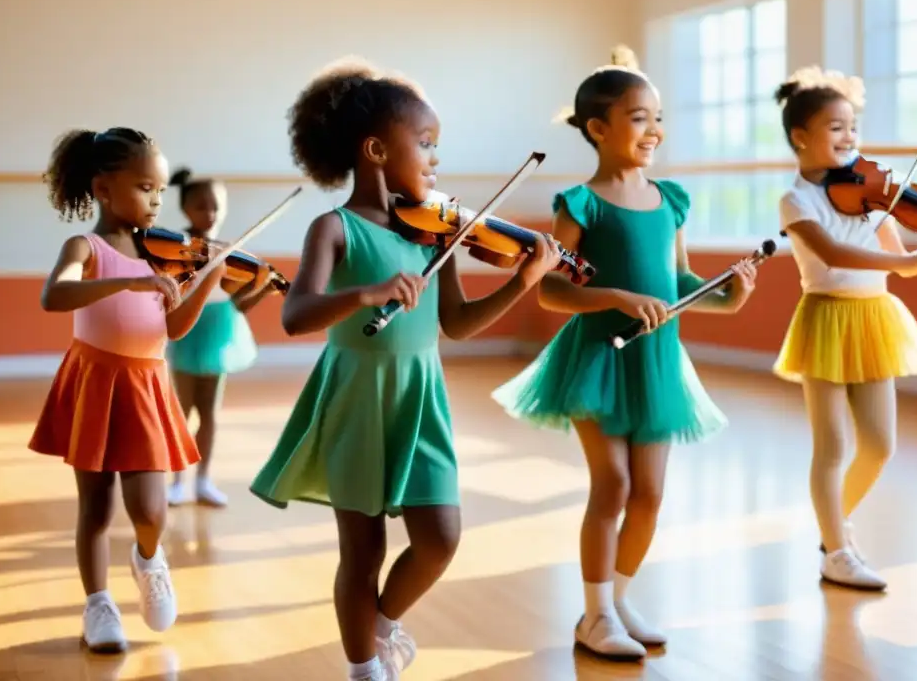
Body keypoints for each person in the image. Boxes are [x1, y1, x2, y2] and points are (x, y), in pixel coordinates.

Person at [249, 56, 562, 681]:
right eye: (425, 144)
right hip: (357, 399)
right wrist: (365, 293)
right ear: (375, 150)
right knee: (361, 553)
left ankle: (383, 622)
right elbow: (296, 314)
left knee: (440, 538)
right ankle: (363, 668)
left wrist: (525, 281)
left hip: (422, 398)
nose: (436, 161)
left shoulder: (435, 233)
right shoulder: (333, 229)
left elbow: (458, 323)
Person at [491, 46, 758, 661]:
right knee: (610, 484)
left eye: (657, 117)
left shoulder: (671, 201)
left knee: (651, 494)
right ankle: (594, 615)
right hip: (597, 358)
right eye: (639, 117)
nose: (654, 130)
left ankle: (619, 597)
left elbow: (683, 285)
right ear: (598, 129)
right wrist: (611, 294)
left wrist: (730, 296)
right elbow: (552, 289)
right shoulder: (579, 205)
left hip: (657, 362)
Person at [771, 66, 917, 590]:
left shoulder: (871, 199)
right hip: (826, 316)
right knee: (833, 446)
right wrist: (906, 264)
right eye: (836, 127)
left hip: (874, 316)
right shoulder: (797, 200)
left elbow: (905, 258)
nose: (849, 137)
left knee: (880, 444)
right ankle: (837, 551)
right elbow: (832, 252)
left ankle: (831, 528)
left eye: (853, 127)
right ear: (801, 137)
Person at [29, 127, 227, 653]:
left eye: (160, 191)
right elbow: (55, 295)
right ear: (102, 188)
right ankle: (98, 606)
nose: (156, 201)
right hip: (94, 381)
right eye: (146, 188)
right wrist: (127, 282)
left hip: (144, 385)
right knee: (95, 508)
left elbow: (175, 328)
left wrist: (208, 278)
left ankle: (148, 558)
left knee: (151, 510)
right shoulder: (85, 247)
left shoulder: (160, 255)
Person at [165, 167, 276, 508]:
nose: (209, 214)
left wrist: (263, 286)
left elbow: (238, 304)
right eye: (201, 206)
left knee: (210, 412)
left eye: (216, 207)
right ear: (185, 209)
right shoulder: (173, 247)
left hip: (219, 330)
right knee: (182, 410)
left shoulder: (229, 251)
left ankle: (203, 480)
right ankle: (178, 480)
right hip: (187, 328)